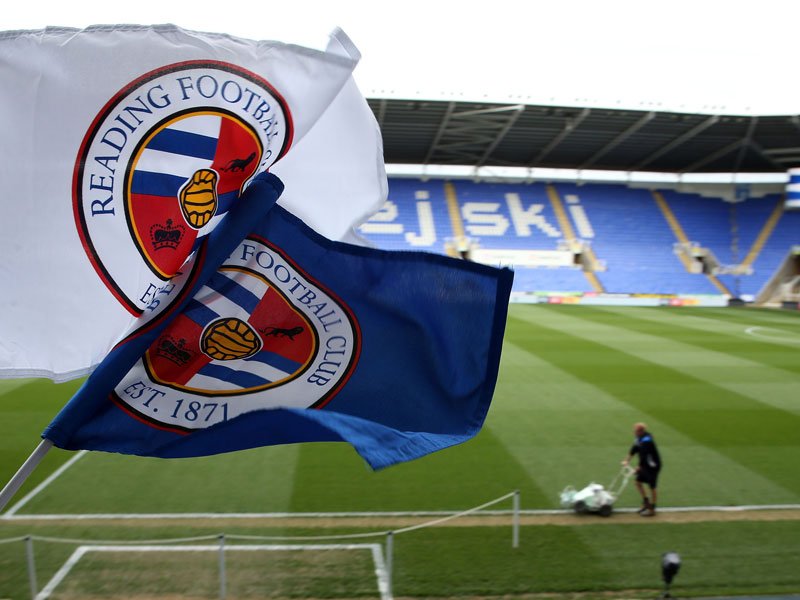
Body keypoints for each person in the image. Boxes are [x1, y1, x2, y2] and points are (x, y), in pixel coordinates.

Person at [622, 422, 661, 517]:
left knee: (652, 487)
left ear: (640, 431)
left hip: (653, 466)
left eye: (635, 431)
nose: (634, 432)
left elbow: (644, 456)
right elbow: (633, 450)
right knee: (638, 482)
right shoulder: (639, 439)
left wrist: (638, 468)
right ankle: (646, 503)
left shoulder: (647, 441)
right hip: (645, 465)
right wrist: (626, 460)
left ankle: (652, 509)